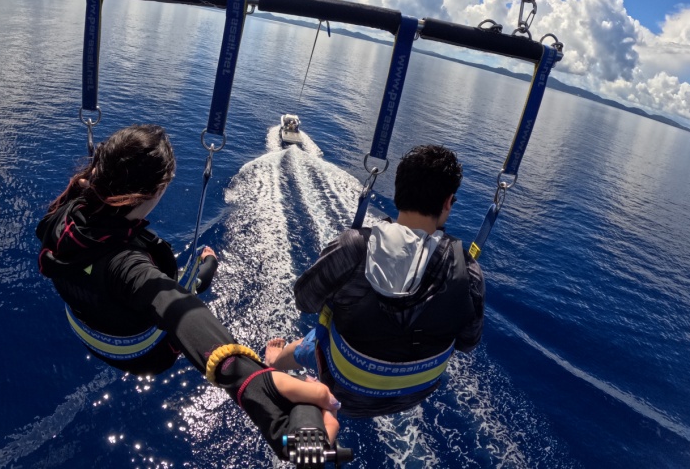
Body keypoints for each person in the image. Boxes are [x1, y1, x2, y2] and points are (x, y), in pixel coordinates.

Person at [36, 124, 340, 458]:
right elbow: (178, 309)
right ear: (158, 190)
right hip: (144, 356)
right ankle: (208, 271)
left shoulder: (68, 212)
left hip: (90, 320)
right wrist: (255, 381)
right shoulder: (128, 266)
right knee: (193, 277)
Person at [265, 144, 485, 419]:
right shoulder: (470, 271)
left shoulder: (355, 248)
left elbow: (305, 301)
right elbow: (467, 342)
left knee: (304, 345)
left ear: (397, 193)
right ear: (448, 202)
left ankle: (275, 363)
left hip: (343, 389)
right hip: (411, 395)